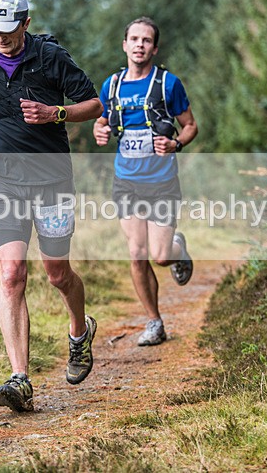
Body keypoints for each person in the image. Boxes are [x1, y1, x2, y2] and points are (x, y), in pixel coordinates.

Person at [0, 0, 104, 412]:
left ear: (25, 23)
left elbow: (95, 105)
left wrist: (55, 113)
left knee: (58, 274)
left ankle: (79, 332)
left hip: (51, 182)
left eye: (7, 30)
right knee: (11, 276)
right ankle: (19, 378)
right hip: (4, 182)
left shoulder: (50, 58)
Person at [93, 17, 198, 346]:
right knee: (137, 254)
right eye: (134, 39)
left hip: (162, 181)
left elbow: (191, 125)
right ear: (125, 45)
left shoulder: (169, 84)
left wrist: (176, 144)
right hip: (127, 181)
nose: (140, 44)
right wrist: (99, 130)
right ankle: (154, 322)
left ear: (155, 47)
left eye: (146, 40)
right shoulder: (111, 85)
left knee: (160, 255)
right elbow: (102, 121)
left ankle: (178, 250)